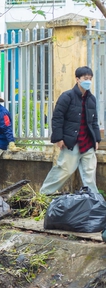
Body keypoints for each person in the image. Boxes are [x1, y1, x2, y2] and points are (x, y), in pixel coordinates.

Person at [40, 66, 101, 195]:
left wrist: (97, 139)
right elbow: (57, 118)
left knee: (89, 174)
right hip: (72, 142)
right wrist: (58, 138)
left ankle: (95, 201)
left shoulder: (92, 99)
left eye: (90, 79)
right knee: (64, 170)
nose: (88, 81)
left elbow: (94, 121)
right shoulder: (67, 96)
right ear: (77, 79)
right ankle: (43, 195)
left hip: (88, 141)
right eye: (85, 78)